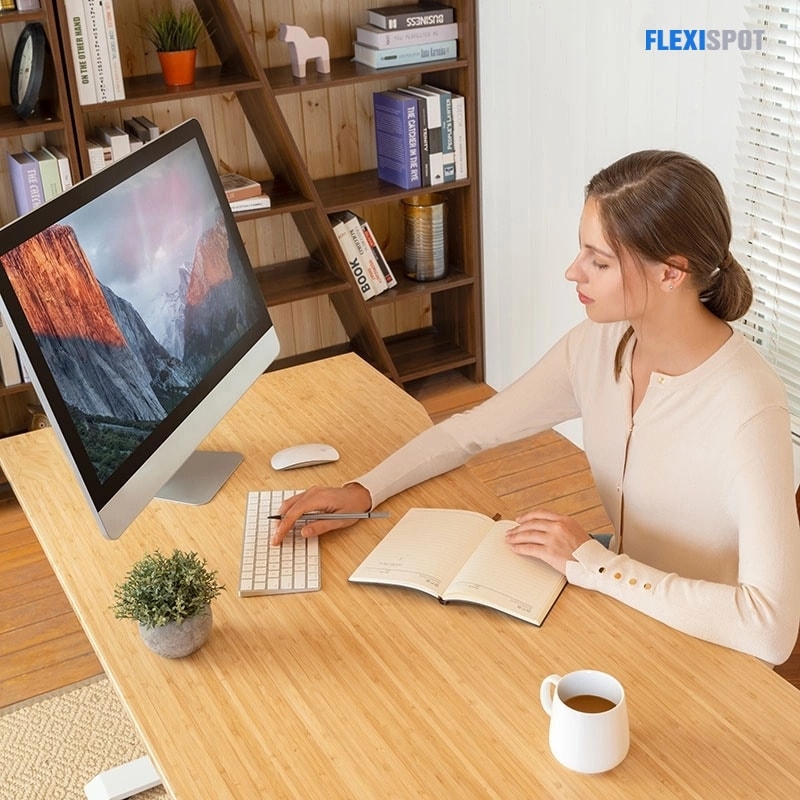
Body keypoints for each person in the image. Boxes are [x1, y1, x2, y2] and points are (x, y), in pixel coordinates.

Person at [274, 149, 800, 666]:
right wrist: (361, 491)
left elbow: (770, 629)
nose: (574, 272)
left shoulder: (748, 405)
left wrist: (594, 563)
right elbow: (471, 431)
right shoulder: (598, 346)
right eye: (581, 252)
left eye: (599, 260)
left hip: (707, 651)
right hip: (617, 602)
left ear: (671, 273)